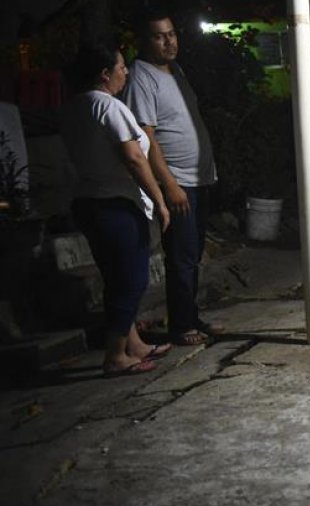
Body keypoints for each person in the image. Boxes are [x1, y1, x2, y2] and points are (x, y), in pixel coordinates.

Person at [60, 41, 173, 376]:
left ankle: (133, 344)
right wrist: (160, 199)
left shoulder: (73, 107)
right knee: (132, 278)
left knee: (115, 276)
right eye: (122, 67)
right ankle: (115, 356)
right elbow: (135, 158)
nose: (126, 72)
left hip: (88, 202)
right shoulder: (108, 107)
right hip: (116, 203)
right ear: (105, 74)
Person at [123, 7, 221, 346]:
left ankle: (190, 316)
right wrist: (170, 185)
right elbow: (146, 136)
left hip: (199, 178)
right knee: (180, 256)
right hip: (178, 181)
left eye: (172, 34)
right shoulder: (141, 76)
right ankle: (181, 325)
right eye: (159, 36)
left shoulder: (175, 70)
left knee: (192, 255)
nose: (168, 41)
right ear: (144, 40)